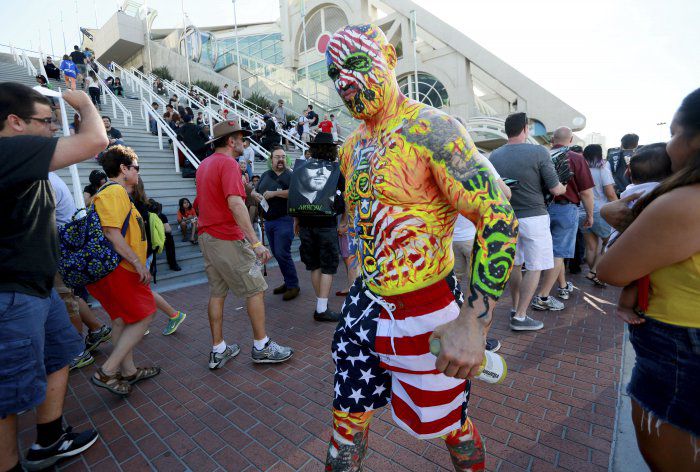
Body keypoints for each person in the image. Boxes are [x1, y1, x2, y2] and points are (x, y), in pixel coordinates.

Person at [323, 25, 517, 470]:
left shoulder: (432, 130)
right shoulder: (351, 146)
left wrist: (474, 323)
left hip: (427, 305)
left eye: (355, 64)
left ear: (390, 58)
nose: (345, 82)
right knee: (347, 418)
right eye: (335, 73)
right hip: (365, 304)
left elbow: (498, 217)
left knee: (449, 423)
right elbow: (364, 225)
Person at [0, 83, 108, 472]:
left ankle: (49, 439)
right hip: (12, 293)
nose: (52, 130)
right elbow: (95, 140)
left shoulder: (19, 157)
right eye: (46, 121)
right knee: (7, 399)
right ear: (14, 122)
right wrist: (84, 104)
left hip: (36, 288)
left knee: (60, 353)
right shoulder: (9, 148)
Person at [597, 89, 700, 472]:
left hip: (680, 348)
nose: (670, 145)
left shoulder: (684, 202)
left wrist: (612, 215)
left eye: (674, 133)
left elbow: (611, 270)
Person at [195, 121, 294, 369]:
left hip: (207, 237)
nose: (244, 142)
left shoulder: (205, 165)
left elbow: (204, 201)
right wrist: (256, 243)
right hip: (226, 236)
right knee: (256, 288)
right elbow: (236, 205)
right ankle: (261, 346)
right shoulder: (228, 163)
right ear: (231, 141)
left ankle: (218, 349)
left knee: (217, 293)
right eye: (241, 138)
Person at [87, 145, 160, 397]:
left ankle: (128, 372)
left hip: (120, 268)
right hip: (121, 269)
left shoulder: (117, 192)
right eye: (135, 167)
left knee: (122, 319)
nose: (138, 173)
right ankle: (107, 371)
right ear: (123, 169)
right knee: (145, 314)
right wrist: (139, 264)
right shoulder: (114, 191)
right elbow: (111, 232)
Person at [489, 112, 565, 331]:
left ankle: (515, 307)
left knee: (515, 263)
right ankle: (521, 317)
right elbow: (555, 188)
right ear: (525, 129)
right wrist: (564, 187)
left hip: (508, 217)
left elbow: (502, 186)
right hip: (534, 216)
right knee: (536, 266)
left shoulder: (495, 155)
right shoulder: (538, 151)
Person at [48, 172, 112, 371]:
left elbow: (46, 224)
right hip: (63, 246)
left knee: (65, 300)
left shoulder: (44, 180)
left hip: (58, 248)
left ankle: (77, 352)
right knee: (70, 296)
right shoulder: (49, 176)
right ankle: (96, 329)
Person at [452, 154, 512, 350]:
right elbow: (505, 194)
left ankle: (452, 333)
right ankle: (480, 342)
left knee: (452, 288)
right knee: (480, 292)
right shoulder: (477, 159)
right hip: (473, 237)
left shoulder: (433, 158)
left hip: (448, 239)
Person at [531, 127, 594, 311]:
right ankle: (542, 296)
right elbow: (586, 192)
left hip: (541, 209)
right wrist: (590, 214)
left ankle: (563, 285)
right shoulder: (575, 158)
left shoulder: (542, 156)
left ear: (552, 140)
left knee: (554, 251)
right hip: (566, 209)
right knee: (559, 253)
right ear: (571, 139)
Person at [292, 132, 345, 322]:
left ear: (313, 148)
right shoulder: (335, 169)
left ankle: (320, 304)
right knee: (328, 266)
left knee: (314, 265)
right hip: (326, 224)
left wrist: (297, 220)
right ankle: (321, 308)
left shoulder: (302, 168)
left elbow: (296, 196)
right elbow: (344, 197)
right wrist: (344, 219)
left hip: (306, 223)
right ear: (332, 149)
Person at [130, 178, 188, 335]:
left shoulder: (136, 206)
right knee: (138, 291)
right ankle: (144, 323)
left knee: (141, 290)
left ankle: (172, 315)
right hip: (141, 254)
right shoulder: (139, 204)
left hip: (140, 254)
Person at [251, 146, 300, 301]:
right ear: (271, 159)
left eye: (283, 156)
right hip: (269, 221)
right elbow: (254, 191)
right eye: (277, 157)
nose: (281, 159)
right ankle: (288, 282)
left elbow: (296, 192)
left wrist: (275, 193)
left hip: (285, 220)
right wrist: (255, 195)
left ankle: (293, 285)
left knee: (281, 252)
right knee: (279, 254)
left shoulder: (291, 175)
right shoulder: (265, 175)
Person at [579, 144, 617, 285]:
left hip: (581, 211)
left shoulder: (580, 170)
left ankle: (595, 275)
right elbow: (610, 193)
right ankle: (595, 272)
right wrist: (620, 205)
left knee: (591, 246)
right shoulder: (603, 169)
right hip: (599, 211)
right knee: (611, 241)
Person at [148, 198, 182, 272]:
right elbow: (168, 229)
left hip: (157, 238)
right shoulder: (146, 216)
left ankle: (152, 266)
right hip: (149, 238)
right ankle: (173, 264)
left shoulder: (161, 216)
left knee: (169, 237)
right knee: (168, 237)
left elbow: (168, 230)